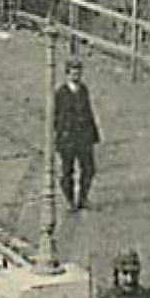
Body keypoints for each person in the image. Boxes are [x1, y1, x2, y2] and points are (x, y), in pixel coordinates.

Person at [54, 60, 101, 211]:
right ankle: (70, 200)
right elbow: (56, 117)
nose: (76, 76)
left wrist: (94, 134)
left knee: (89, 168)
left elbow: (89, 113)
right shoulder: (61, 93)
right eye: (73, 73)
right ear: (67, 74)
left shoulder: (84, 90)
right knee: (67, 171)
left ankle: (83, 198)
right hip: (68, 138)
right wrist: (60, 136)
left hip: (84, 137)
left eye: (78, 73)